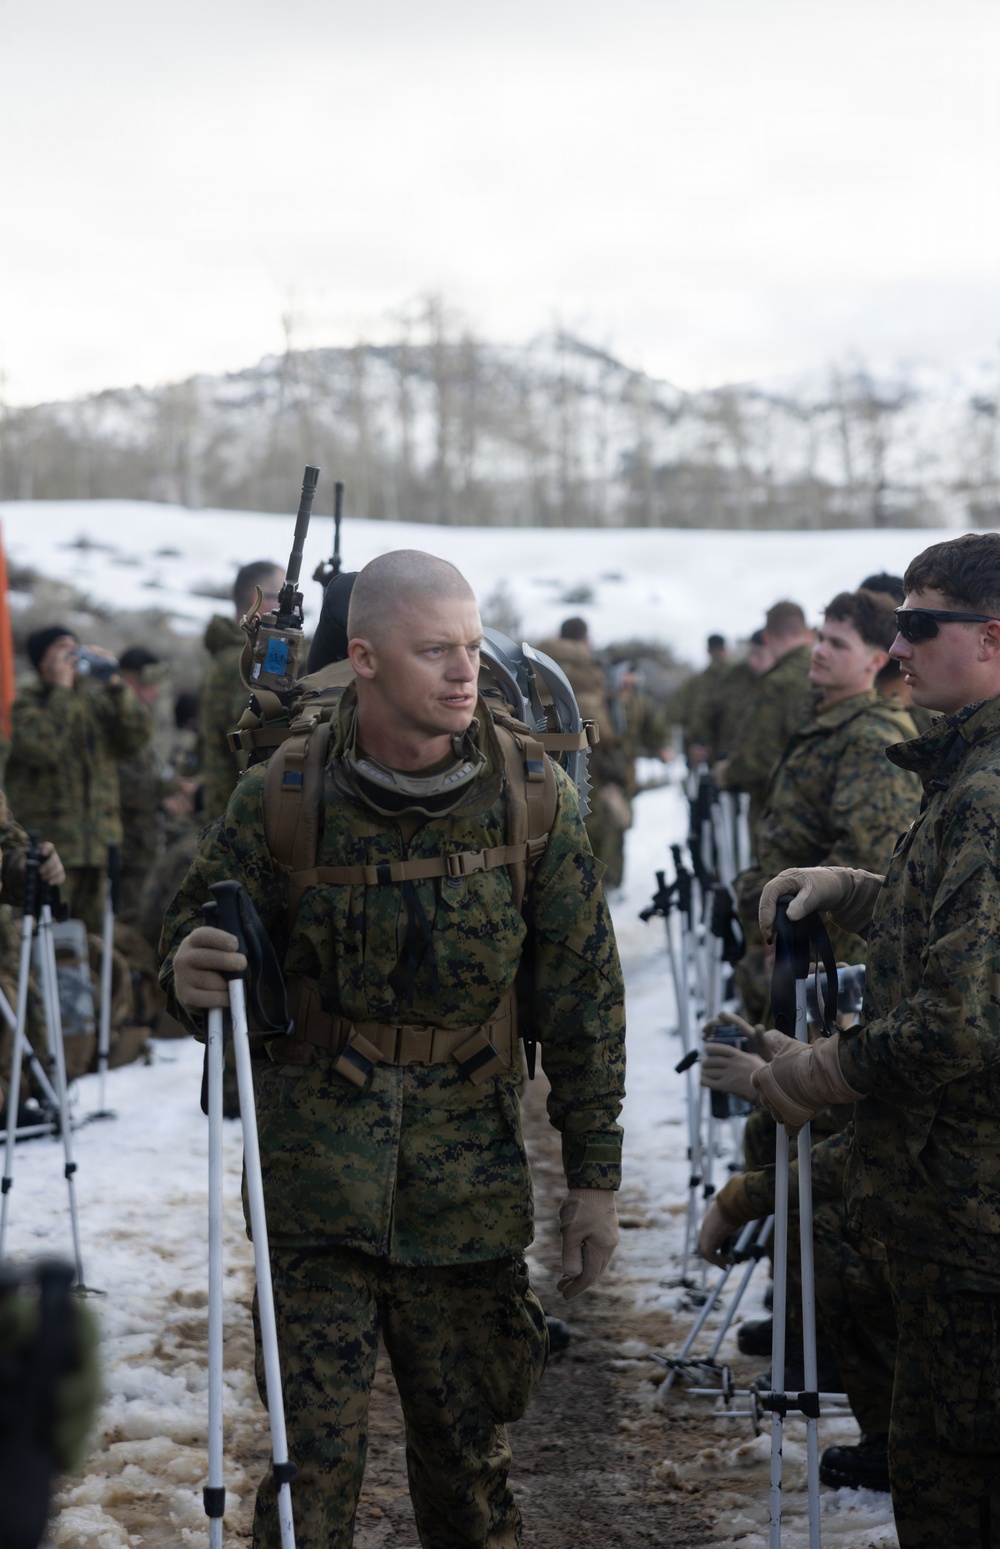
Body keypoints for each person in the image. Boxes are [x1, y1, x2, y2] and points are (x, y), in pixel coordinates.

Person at [159, 551, 626, 1549]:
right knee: (304, 1474)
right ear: (363, 658)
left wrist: (593, 1177)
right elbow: (188, 944)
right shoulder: (279, 794)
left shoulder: (534, 800)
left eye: (469, 647)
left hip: (468, 1200)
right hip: (313, 1186)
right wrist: (185, 975)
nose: (464, 673)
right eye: (433, 652)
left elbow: (585, 996)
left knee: (467, 1475)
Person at [754, 531, 1000, 1548]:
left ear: (990, 637)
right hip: (947, 1198)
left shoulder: (985, 794)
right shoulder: (965, 773)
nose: (896, 651)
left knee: (954, 1487)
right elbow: (957, 932)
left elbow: (958, 1019)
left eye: (917, 626)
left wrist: (819, 1073)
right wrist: (859, 894)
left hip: (969, 1215)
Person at [732, 588, 921, 1021]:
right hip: (794, 940)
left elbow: (866, 855)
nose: (819, 652)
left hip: (826, 958)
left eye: (838, 645)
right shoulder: (825, 719)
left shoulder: (871, 735)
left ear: (876, 661)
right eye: (821, 638)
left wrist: (794, 935)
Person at [5, 628, 150, 934]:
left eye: (76, 647)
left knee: (96, 945)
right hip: (54, 854)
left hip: (99, 848)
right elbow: (41, 747)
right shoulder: (28, 704)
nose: (73, 654)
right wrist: (61, 690)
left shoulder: (95, 703)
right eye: (62, 649)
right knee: (49, 941)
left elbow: (136, 736)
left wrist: (113, 683)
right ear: (43, 662)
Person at [715, 600, 814, 840]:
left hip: (777, 812)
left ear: (768, 637)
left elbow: (757, 757)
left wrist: (726, 773)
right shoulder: (824, 672)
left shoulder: (776, 684)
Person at [198, 561, 284, 822]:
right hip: (244, 820)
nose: (292, 608)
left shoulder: (228, 656)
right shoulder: (245, 662)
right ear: (256, 601)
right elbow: (254, 750)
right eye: (281, 598)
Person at [116, 647, 167, 921]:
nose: (155, 691)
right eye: (150, 684)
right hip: (120, 843)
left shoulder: (139, 722)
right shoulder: (115, 718)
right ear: (132, 681)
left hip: (139, 843)